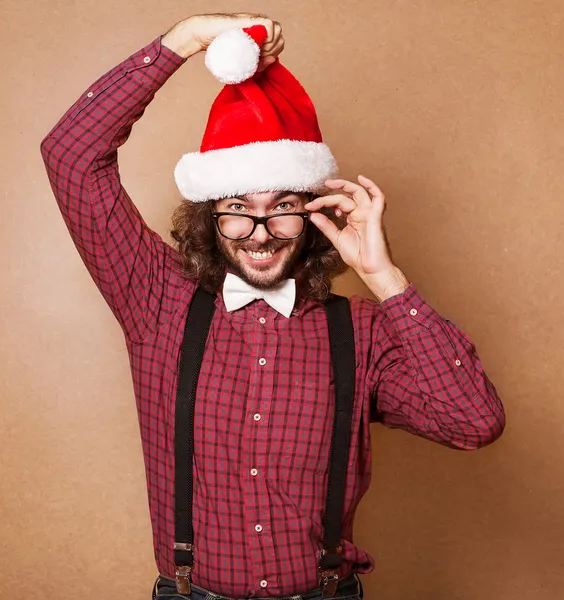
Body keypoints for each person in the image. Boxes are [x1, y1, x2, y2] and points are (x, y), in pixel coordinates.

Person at [40, 12, 506, 600]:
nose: (259, 232)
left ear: (315, 216)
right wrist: (182, 42)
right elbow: (70, 156)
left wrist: (385, 278)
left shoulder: (361, 332)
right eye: (238, 207)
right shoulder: (158, 301)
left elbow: (473, 422)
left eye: (283, 205)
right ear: (210, 216)